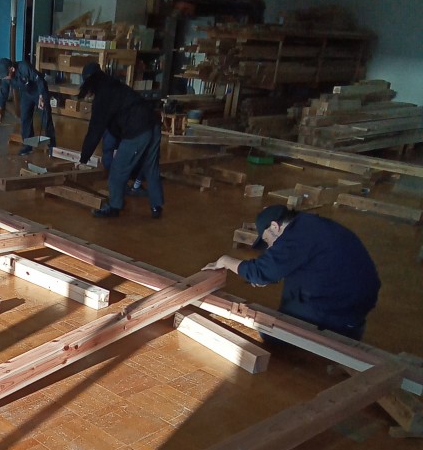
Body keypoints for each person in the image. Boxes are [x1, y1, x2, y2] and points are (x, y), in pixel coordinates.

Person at [203, 204, 381, 339]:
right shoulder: (308, 224)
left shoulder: (296, 235)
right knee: (290, 292)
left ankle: (330, 334)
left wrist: (224, 261)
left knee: (271, 333)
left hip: (338, 305)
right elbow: (295, 262)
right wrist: (269, 275)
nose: (270, 247)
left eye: (267, 240)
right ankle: (346, 329)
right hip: (355, 300)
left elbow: (259, 272)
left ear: (275, 227)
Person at [76, 62, 163, 219]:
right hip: (153, 122)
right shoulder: (113, 84)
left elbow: (95, 130)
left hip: (138, 128)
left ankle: (114, 207)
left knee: (117, 170)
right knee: (151, 166)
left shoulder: (102, 96)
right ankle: (156, 207)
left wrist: (83, 158)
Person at [0, 58, 56, 156]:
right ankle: (28, 146)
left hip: (39, 90)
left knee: (46, 118)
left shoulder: (24, 67)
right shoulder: (5, 78)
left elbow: (39, 80)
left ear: (12, 69)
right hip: (26, 93)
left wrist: (41, 96)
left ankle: (52, 146)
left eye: (6, 75)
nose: (5, 78)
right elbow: (3, 93)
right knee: (25, 119)